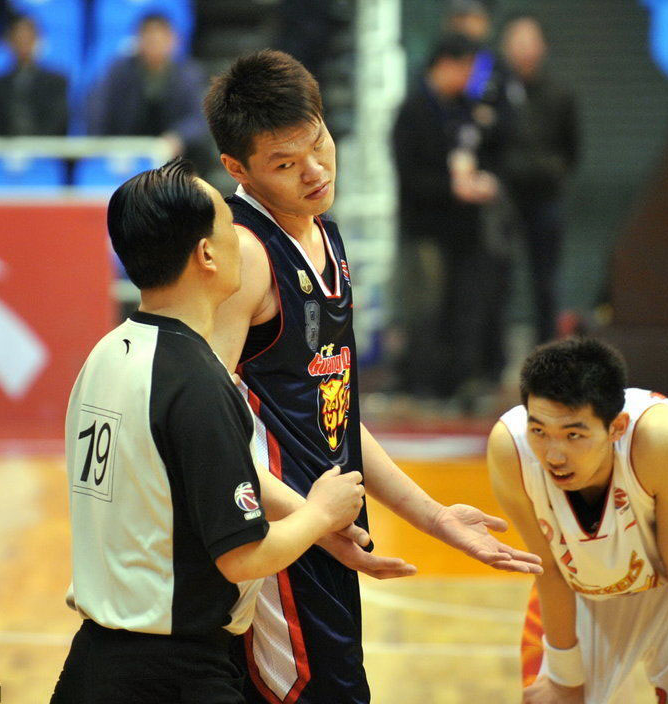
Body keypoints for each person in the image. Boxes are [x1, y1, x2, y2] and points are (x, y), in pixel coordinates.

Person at [203, 50, 542, 703]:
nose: (315, 170)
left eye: (319, 144)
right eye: (285, 163)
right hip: (276, 542)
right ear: (237, 168)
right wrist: (311, 521)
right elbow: (207, 435)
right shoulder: (243, 255)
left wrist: (433, 517)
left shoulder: (324, 234)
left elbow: (336, 414)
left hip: (324, 530)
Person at [51, 158, 367, 703]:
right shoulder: (197, 383)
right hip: (172, 674)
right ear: (206, 254)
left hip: (92, 665)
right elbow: (243, 556)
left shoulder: (105, 354)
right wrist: (320, 513)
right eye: (228, 223)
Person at [487, 338, 668, 704]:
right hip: (592, 569)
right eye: (539, 431)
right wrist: (564, 681)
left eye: (574, 435)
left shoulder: (663, 440)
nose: (554, 455)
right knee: (551, 696)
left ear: (617, 428)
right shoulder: (510, 449)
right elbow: (550, 570)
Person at [391, 34, 503, 402]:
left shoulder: (467, 110)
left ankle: (458, 381)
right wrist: (451, 187)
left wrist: (483, 180)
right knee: (426, 308)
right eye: (466, 69)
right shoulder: (413, 111)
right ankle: (421, 383)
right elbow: (409, 176)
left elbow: (485, 154)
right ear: (445, 65)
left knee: (464, 306)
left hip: (464, 230)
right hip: (426, 228)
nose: (470, 78)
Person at [500, 14, 579, 343]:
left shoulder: (560, 93)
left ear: (542, 46)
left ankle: (547, 350)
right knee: (498, 279)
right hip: (504, 200)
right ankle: (493, 356)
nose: (524, 50)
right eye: (517, 42)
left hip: (546, 199)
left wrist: (553, 171)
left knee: (546, 280)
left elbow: (572, 149)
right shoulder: (493, 93)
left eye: (529, 42)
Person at [86, 13, 210, 168]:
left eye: (160, 39)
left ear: (173, 40)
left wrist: (178, 137)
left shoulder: (190, 74)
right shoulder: (119, 72)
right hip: (126, 149)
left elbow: (198, 119)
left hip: (175, 150)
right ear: (139, 41)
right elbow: (98, 110)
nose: (155, 45)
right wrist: (110, 144)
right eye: (150, 39)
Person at [0, 14, 68, 136]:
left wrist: (36, 145)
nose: (23, 42)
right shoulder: (2, 84)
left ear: (37, 39)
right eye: (18, 37)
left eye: (27, 37)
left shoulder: (56, 81)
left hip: (46, 144)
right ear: (9, 41)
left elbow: (59, 121)